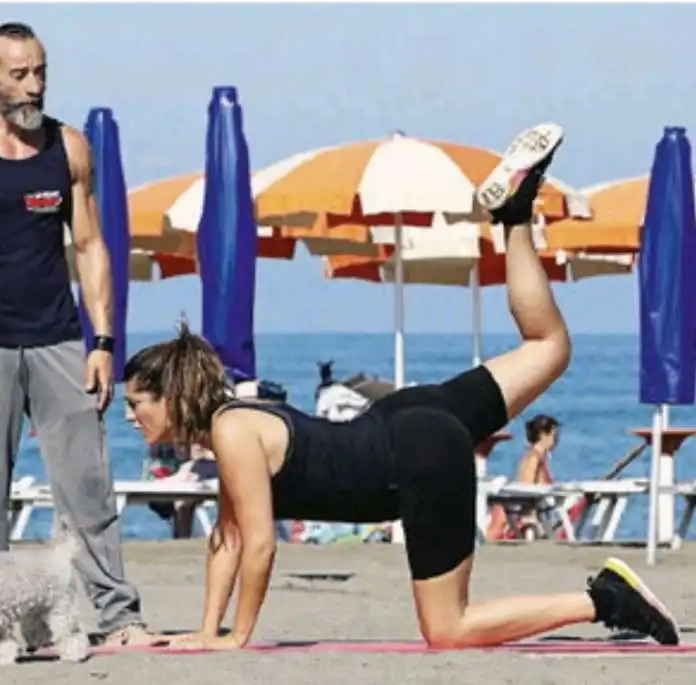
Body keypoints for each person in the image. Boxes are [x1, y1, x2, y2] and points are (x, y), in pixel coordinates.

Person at [123, 123, 680, 651]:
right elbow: (228, 539)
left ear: (172, 396)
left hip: (417, 452)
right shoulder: (237, 421)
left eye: (135, 404)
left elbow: (260, 544)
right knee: (548, 346)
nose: (127, 417)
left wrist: (235, 637)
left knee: (450, 630)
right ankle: (514, 217)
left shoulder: (232, 433)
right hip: (409, 415)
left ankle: (605, 599)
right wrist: (204, 630)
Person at [0, 22, 163, 647]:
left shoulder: (68, 147)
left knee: (86, 482)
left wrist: (103, 342)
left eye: (41, 72)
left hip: (58, 338)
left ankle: (119, 617)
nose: (34, 86)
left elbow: (91, 246)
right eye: (19, 74)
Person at [486, 414, 560, 541]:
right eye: (554, 436)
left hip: (541, 508)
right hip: (533, 509)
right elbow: (526, 485)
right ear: (543, 435)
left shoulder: (539, 458)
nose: (557, 440)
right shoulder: (533, 458)